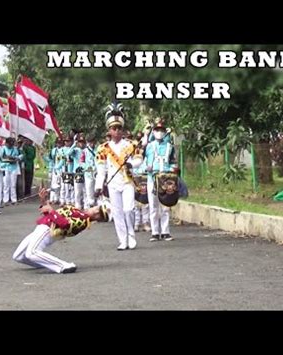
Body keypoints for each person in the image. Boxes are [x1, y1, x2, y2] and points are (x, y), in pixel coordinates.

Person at [12, 188, 111, 274]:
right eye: (97, 208)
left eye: (99, 214)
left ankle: (64, 265)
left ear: (98, 218)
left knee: (32, 252)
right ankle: (45, 262)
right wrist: (43, 200)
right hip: (42, 226)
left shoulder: (83, 221)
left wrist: (51, 210)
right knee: (18, 256)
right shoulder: (79, 212)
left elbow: (64, 224)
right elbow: (49, 213)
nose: (95, 211)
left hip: (48, 229)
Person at [94, 102, 143, 250]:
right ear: (109, 130)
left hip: (127, 182)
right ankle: (122, 240)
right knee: (117, 212)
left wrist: (131, 165)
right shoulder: (103, 148)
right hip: (113, 183)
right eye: (114, 128)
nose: (116, 131)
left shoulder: (131, 144)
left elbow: (139, 160)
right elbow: (101, 169)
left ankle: (131, 236)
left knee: (128, 209)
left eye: (119, 128)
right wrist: (98, 186)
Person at [144, 119, 178, 242]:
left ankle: (165, 231)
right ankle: (155, 232)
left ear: (165, 132)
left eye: (162, 130)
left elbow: (173, 162)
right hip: (152, 178)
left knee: (165, 206)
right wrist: (146, 167)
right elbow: (142, 159)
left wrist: (173, 170)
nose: (159, 132)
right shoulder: (148, 146)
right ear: (154, 131)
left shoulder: (170, 147)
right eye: (157, 130)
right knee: (153, 206)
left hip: (166, 178)